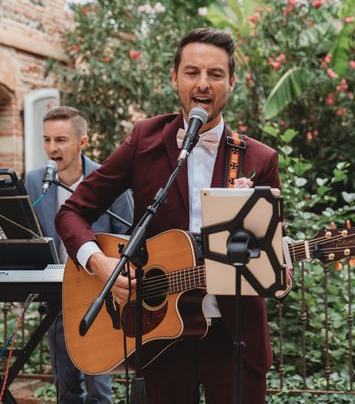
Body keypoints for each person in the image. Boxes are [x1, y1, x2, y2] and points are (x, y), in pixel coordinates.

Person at [55, 27, 281, 403]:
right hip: (161, 333)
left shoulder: (259, 159)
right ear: (174, 77)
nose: (203, 84)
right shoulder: (144, 139)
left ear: (232, 82)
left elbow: (268, 249)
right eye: (192, 72)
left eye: (215, 74)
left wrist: (280, 266)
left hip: (236, 336)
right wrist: (98, 263)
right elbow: (72, 212)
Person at [25, 106, 133, 404]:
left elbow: (130, 234)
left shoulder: (108, 180)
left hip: (98, 298)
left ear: (82, 142)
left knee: (99, 388)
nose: (51, 149)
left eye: (60, 140)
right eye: (46, 140)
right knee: (65, 388)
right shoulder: (35, 181)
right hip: (56, 298)